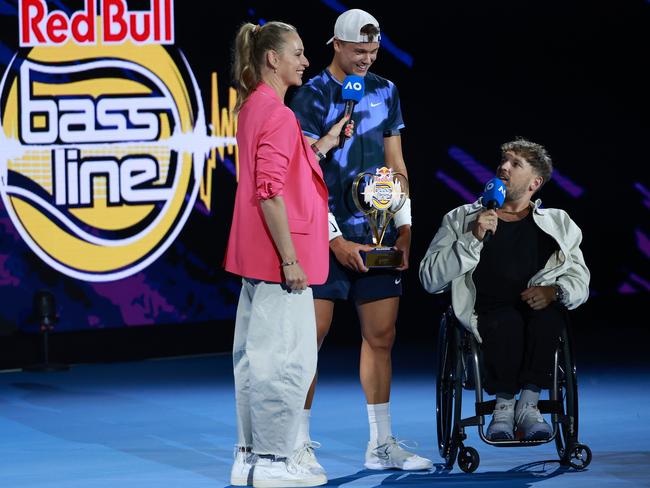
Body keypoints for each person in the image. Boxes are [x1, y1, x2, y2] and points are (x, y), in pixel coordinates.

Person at [290, 9, 432, 471]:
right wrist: (333, 240)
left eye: (373, 52)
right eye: (358, 52)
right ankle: (297, 444)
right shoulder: (310, 97)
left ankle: (381, 445)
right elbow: (303, 177)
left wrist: (405, 226)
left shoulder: (387, 91)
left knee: (382, 337)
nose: (367, 60)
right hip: (322, 238)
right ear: (335, 44)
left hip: (379, 234)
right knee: (310, 339)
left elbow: (397, 165)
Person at [224, 21, 351, 487]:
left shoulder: (254, 108)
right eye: (297, 53)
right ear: (272, 59)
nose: (305, 60)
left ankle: (250, 458)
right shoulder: (278, 114)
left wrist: (323, 144)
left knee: (254, 360)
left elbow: (283, 170)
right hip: (280, 261)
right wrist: (291, 260)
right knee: (285, 362)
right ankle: (276, 464)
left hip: (255, 257)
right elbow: (271, 191)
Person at [419, 138, 590, 441]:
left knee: (551, 317)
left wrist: (555, 291)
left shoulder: (558, 223)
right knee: (506, 321)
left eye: (515, 163)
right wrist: (472, 238)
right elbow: (430, 279)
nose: (503, 167)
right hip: (486, 313)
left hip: (538, 310)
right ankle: (503, 406)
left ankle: (528, 406)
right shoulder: (461, 218)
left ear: (534, 182)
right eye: (503, 160)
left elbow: (580, 280)